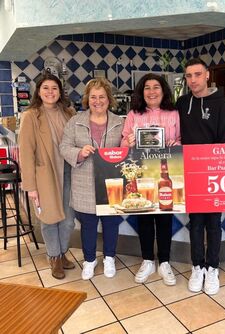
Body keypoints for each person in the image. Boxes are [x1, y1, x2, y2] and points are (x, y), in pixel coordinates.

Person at [176, 58, 225, 295]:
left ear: (207, 75)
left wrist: (214, 169)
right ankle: (197, 266)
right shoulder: (182, 103)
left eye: (197, 74)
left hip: (214, 173)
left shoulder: (222, 104)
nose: (193, 80)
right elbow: (175, 132)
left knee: (213, 224)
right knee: (196, 223)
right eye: (189, 76)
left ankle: (213, 268)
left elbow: (224, 139)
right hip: (189, 173)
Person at [60, 78, 124, 280]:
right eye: (93, 97)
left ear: (109, 99)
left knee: (111, 224)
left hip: (111, 183)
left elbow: (127, 153)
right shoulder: (75, 121)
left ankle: (109, 258)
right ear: (88, 99)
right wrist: (79, 152)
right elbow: (64, 147)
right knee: (87, 225)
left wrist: (127, 145)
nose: (98, 101)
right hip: (84, 183)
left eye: (102, 97)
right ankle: (89, 260)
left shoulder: (119, 122)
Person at [121, 73, 181, 286]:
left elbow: (182, 140)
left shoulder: (174, 113)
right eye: (147, 87)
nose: (152, 91)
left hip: (167, 173)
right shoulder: (133, 115)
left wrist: (177, 145)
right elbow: (122, 145)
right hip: (142, 174)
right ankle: (147, 260)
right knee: (144, 218)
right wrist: (127, 142)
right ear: (141, 91)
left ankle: (164, 261)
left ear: (163, 90)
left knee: (165, 218)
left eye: (156, 87)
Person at [19, 72, 76, 279]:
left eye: (54, 88)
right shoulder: (31, 116)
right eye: (46, 88)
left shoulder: (69, 112)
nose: (50, 92)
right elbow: (25, 152)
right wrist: (31, 186)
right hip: (45, 174)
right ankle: (54, 258)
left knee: (68, 220)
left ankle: (62, 253)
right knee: (50, 218)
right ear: (39, 91)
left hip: (69, 172)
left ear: (60, 91)